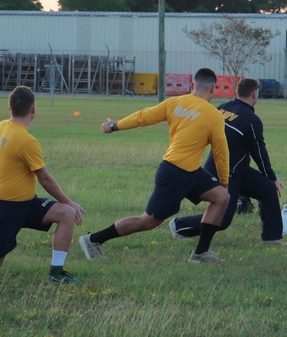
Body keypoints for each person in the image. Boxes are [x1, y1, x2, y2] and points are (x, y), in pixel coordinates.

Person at [79, 68, 230, 263]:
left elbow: (143, 116)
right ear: (214, 89)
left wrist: (115, 125)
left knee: (221, 197)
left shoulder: (174, 103)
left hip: (190, 171)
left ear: (192, 86)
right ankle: (93, 240)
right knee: (148, 221)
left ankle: (200, 254)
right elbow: (221, 152)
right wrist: (224, 180)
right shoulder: (213, 115)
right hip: (174, 174)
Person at [0, 86, 86, 284]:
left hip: (27, 204)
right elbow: (45, 178)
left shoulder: (1, 127)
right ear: (33, 109)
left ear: (9, 107)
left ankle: (56, 273)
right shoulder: (26, 141)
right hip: (4, 208)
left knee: (66, 214)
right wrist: (70, 201)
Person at [169, 77, 287, 247]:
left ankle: (271, 238)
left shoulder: (223, 108)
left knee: (267, 189)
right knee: (223, 219)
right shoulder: (252, 120)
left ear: (236, 92)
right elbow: (259, 153)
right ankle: (180, 225)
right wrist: (272, 176)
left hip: (237, 169)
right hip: (227, 173)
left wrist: (269, 180)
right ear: (255, 94)